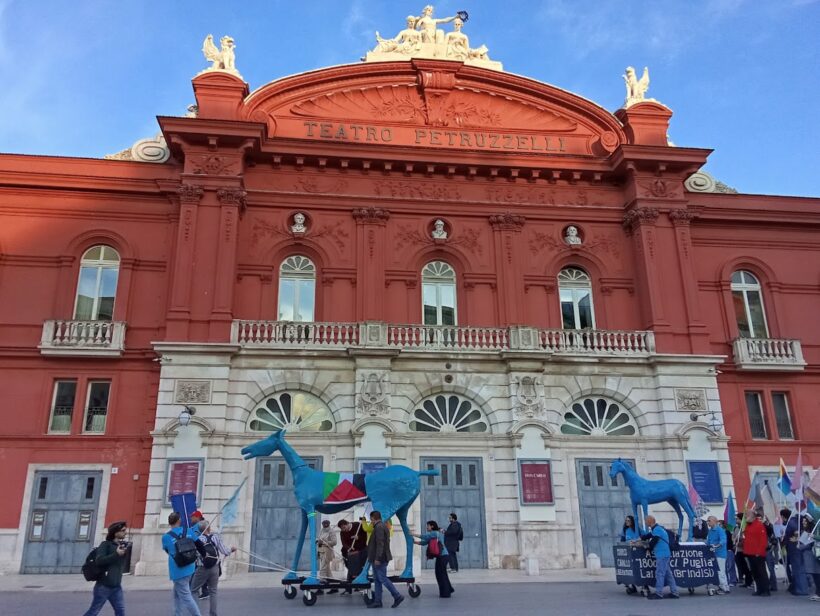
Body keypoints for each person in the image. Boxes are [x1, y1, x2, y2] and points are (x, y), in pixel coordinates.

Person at [191, 519, 236, 616]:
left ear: (199, 529)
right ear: (209, 528)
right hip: (215, 567)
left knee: (193, 590)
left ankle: (195, 613)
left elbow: (195, 555)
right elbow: (225, 551)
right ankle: (213, 614)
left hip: (202, 568)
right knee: (213, 591)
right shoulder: (215, 537)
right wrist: (231, 550)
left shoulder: (198, 539)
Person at [82, 521, 128, 616]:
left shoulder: (119, 545)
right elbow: (99, 560)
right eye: (123, 530)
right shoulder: (105, 544)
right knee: (94, 611)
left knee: (120, 611)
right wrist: (116, 554)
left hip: (116, 586)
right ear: (115, 532)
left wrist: (122, 553)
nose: (125, 532)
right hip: (103, 586)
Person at [162, 512, 202, 616]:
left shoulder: (166, 537)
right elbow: (199, 544)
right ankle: (177, 614)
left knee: (186, 596)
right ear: (179, 521)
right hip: (190, 566)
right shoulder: (188, 531)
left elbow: (167, 550)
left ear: (169, 523)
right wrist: (204, 555)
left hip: (177, 569)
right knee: (176, 594)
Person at [366, 510, 403, 609]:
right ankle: (378, 601)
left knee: (382, 578)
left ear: (373, 518)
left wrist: (378, 558)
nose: (370, 521)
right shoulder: (381, 526)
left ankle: (397, 596)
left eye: (371, 519)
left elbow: (380, 544)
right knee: (377, 580)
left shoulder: (379, 527)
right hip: (378, 557)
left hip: (380, 558)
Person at [642, 515, 678, 600]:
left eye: (646, 521)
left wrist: (647, 548)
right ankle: (674, 592)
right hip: (665, 554)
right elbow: (648, 536)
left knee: (660, 573)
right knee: (668, 574)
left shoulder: (657, 529)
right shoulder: (657, 529)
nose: (645, 522)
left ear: (650, 521)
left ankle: (659, 593)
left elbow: (654, 541)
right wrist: (640, 538)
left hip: (662, 554)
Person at [414, 521, 454, 598]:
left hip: (442, 556)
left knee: (440, 574)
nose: (427, 527)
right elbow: (424, 542)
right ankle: (448, 589)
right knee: (442, 573)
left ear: (432, 526)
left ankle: (445, 593)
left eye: (428, 526)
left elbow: (425, 536)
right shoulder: (433, 535)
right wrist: (414, 542)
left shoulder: (435, 533)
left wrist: (413, 534)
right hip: (442, 556)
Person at [744, 508, 770, 596]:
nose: (745, 516)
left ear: (752, 516)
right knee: (755, 573)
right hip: (750, 553)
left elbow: (763, 540)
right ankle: (759, 589)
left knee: (761, 572)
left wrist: (759, 552)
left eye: (747, 515)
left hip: (757, 553)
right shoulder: (748, 525)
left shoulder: (759, 525)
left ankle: (766, 590)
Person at [338, 519, 368, 593]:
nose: (343, 530)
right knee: (350, 567)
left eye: (344, 527)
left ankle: (360, 585)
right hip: (349, 552)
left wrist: (358, 538)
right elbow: (343, 543)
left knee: (360, 567)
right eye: (342, 529)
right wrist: (348, 548)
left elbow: (365, 537)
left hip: (361, 549)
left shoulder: (358, 525)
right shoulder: (342, 532)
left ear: (347, 523)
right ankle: (349, 587)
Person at [786, 511, 809, 595]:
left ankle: (801, 589)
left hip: (795, 548)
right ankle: (800, 587)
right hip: (799, 547)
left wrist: (797, 538)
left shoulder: (793, 521)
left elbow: (796, 532)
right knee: (800, 569)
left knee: (798, 569)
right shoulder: (799, 521)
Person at [797, 515, 820, 600]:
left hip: (811, 556)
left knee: (815, 574)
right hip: (808, 556)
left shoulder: (811, 531)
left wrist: (800, 547)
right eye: (803, 521)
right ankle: (816, 592)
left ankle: (817, 593)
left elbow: (809, 544)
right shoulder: (805, 531)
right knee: (814, 574)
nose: (803, 522)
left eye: (805, 521)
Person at [706, 516, 730, 594]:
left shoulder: (720, 530)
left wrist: (717, 545)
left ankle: (725, 588)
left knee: (721, 572)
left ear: (714, 521)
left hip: (720, 554)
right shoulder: (710, 531)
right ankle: (721, 587)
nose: (708, 522)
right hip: (713, 554)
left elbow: (723, 540)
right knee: (716, 572)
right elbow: (708, 542)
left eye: (709, 521)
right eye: (707, 521)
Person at [189, 510, 208, 600]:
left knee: (196, 572)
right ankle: (204, 590)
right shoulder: (201, 525)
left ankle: (193, 590)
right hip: (200, 552)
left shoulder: (197, 526)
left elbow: (195, 539)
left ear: (197, 517)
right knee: (200, 571)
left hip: (197, 553)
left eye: (192, 517)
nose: (191, 518)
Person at [620, 515, 640, 594]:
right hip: (628, 552)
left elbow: (644, 536)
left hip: (637, 552)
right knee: (630, 569)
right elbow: (622, 540)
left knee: (637, 569)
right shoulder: (625, 530)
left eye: (628, 520)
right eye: (626, 521)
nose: (627, 522)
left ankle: (643, 585)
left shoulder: (637, 529)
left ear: (632, 521)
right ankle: (631, 585)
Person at [317, 519, 338, 592]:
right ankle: (334, 587)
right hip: (321, 551)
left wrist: (324, 542)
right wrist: (318, 542)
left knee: (323, 569)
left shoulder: (331, 531)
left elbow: (334, 542)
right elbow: (319, 539)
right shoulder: (321, 530)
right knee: (328, 571)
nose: (325, 525)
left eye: (326, 524)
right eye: (323, 524)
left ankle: (321, 588)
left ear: (328, 524)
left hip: (327, 551)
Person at [733, 512, 753, 587]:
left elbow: (746, 538)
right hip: (737, 550)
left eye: (737, 519)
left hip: (744, 551)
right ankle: (746, 581)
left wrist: (740, 542)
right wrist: (734, 542)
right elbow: (734, 537)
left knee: (746, 567)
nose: (736, 520)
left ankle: (750, 581)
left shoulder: (745, 527)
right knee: (741, 566)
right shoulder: (736, 528)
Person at [721, 520, 738, 586]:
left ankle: (733, 581)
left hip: (729, 550)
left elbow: (728, 542)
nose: (719, 526)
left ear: (723, 525)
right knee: (725, 567)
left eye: (720, 524)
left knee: (730, 566)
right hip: (723, 551)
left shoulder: (727, 532)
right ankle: (727, 581)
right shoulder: (721, 533)